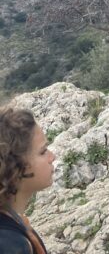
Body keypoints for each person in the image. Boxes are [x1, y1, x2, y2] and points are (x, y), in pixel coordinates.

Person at [0, 107, 54, 254]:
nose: (52, 157)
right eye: (43, 151)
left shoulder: (13, 221)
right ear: (15, 165)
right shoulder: (10, 245)